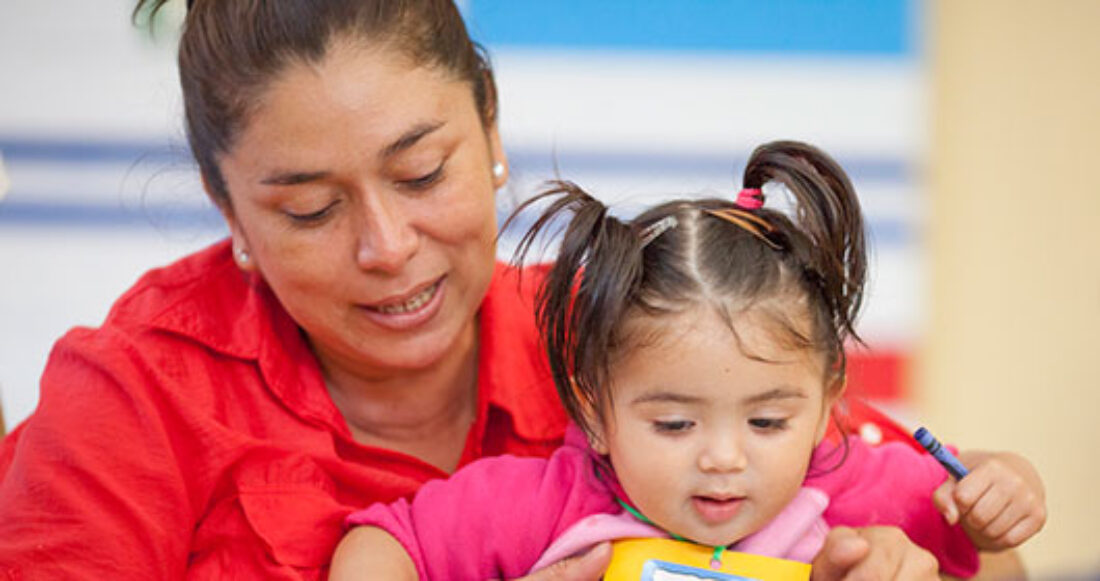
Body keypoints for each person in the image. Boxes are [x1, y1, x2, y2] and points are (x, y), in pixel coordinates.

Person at [0, 0, 1034, 578]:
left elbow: (938, 518)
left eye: (420, 173)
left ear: (490, 132)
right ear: (226, 206)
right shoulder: (131, 395)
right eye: (309, 209)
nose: (387, 245)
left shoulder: (630, 328)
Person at [329, 142, 1047, 580]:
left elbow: (972, 488)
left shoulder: (847, 485)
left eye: (768, 420)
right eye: (674, 424)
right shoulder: (547, 502)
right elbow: (381, 541)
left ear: (829, 399)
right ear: (594, 408)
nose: (724, 457)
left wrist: (1002, 491)